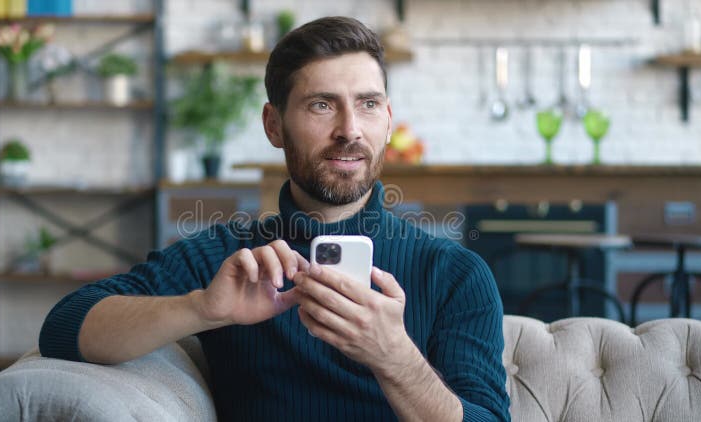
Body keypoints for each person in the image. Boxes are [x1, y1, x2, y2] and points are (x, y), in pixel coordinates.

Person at [39, 16, 510, 421]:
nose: (349, 129)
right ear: (273, 126)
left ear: (387, 120)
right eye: (321, 104)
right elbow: (63, 327)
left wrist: (394, 358)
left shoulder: (455, 275)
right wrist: (202, 308)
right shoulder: (228, 259)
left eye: (367, 104)